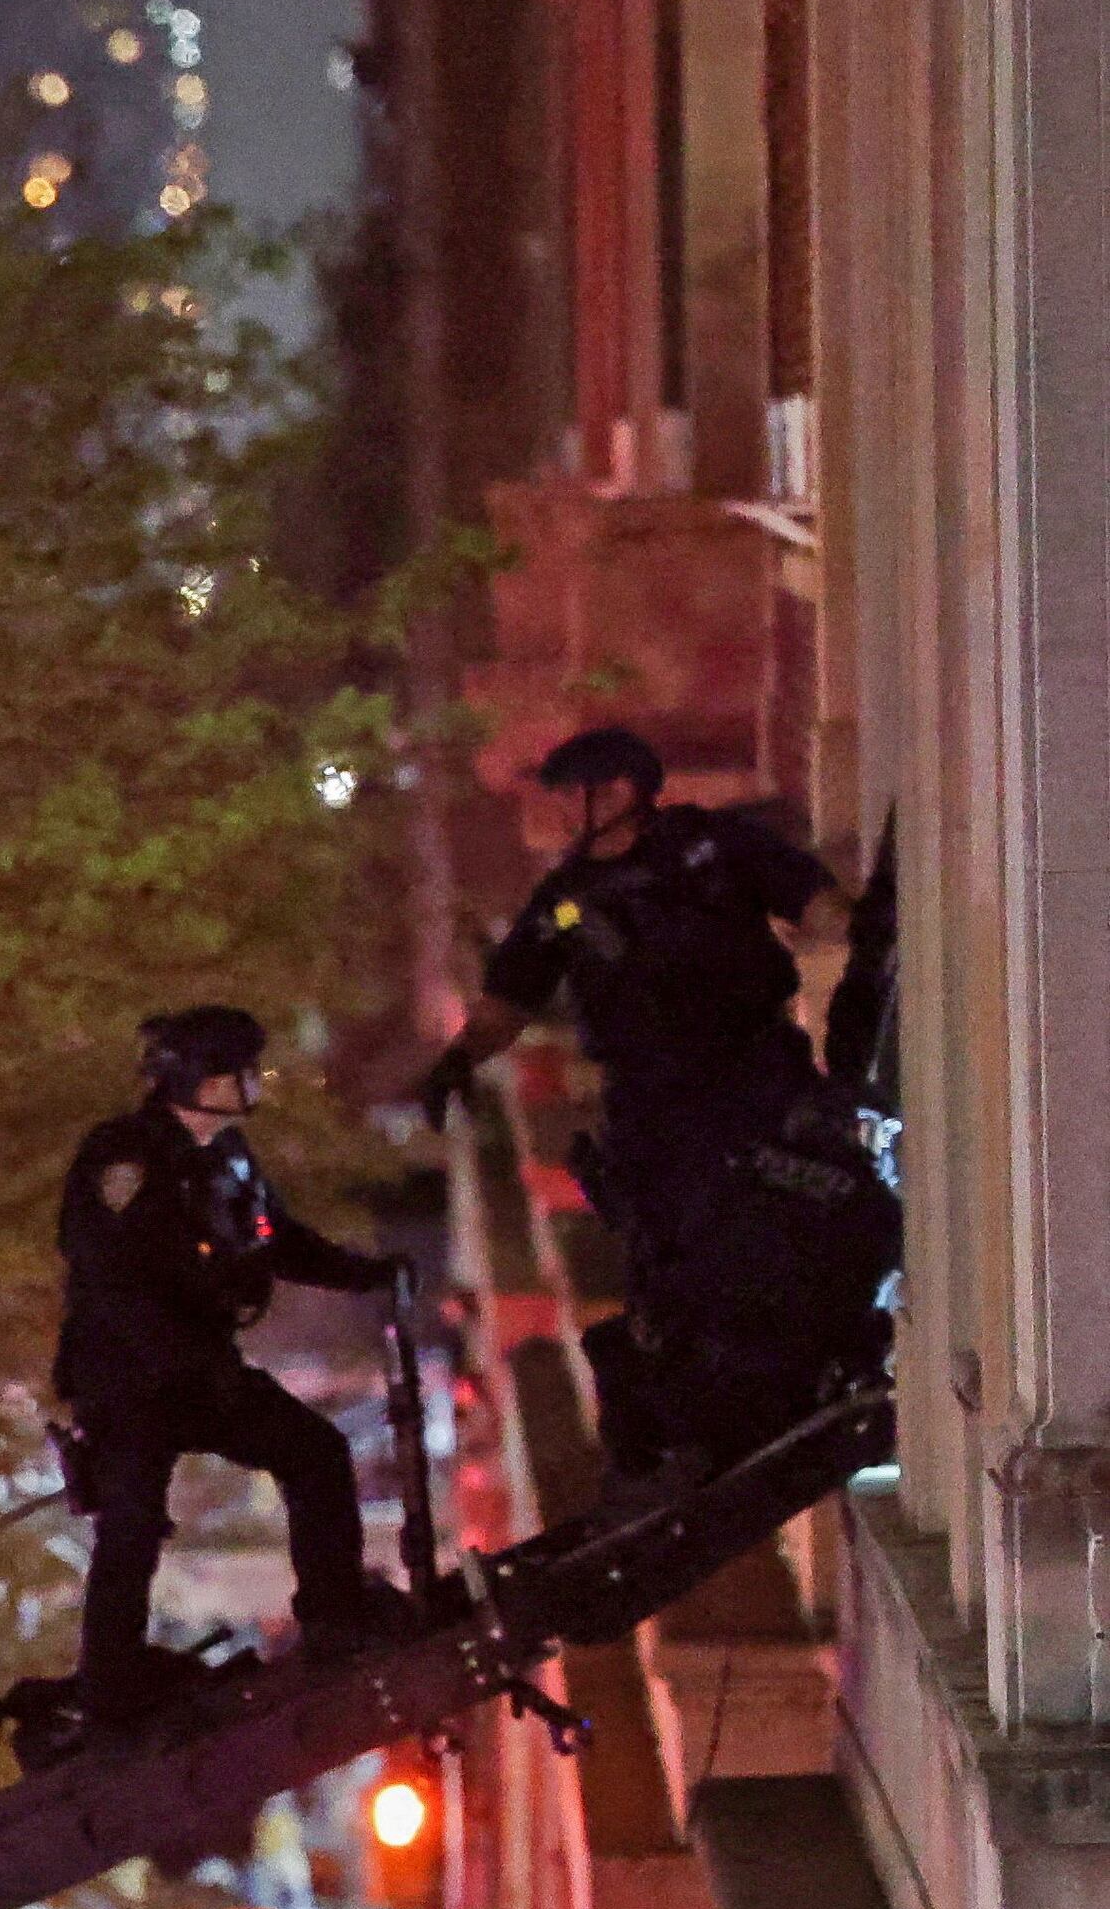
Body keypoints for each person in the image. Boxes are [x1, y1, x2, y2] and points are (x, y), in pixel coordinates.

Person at [417, 727, 894, 1485]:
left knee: (826, 1210)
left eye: (575, 792)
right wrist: (456, 1062)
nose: (563, 811)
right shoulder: (567, 901)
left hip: (752, 1073)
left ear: (622, 790)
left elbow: (813, 901)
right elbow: (512, 995)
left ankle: (834, 1365)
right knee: (667, 1274)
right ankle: (666, 1447)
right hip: (651, 1103)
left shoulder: (710, 847)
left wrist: (872, 929)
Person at [54, 1004, 406, 1727]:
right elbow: (109, 1279)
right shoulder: (123, 1159)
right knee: (133, 1522)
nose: (253, 1083)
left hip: (202, 1368)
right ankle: (110, 1688)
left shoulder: (230, 1156)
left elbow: (277, 1240)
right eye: (237, 1072)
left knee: (315, 1453)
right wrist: (184, 1361)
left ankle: (335, 1618)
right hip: (127, 1380)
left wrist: (367, 1274)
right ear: (193, 1079)